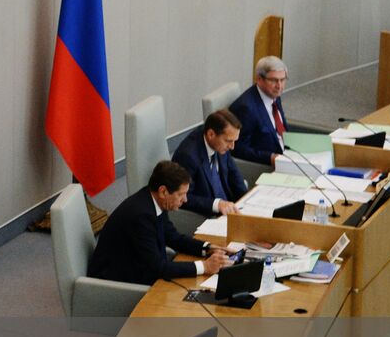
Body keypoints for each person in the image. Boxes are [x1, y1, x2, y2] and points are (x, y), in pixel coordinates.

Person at [88, 161, 230, 286]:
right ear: (163, 191)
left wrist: (208, 247)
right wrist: (204, 266)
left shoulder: (154, 200)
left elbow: (173, 238)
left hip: (138, 266)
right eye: (181, 194)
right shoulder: (141, 215)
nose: (185, 200)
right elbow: (158, 268)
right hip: (116, 282)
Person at [172, 109, 249, 216]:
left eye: (234, 141)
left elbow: (233, 173)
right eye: (228, 141)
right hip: (207, 215)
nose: (232, 147)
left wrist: (247, 200)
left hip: (230, 208)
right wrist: (217, 205)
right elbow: (183, 198)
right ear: (211, 134)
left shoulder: (220, 143)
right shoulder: (188, 156)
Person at [229, 56, 290, 166]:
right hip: (266, 165)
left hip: (287, 155)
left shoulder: (274, 95)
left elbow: (280, 129)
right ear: (259, 79)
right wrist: (270, 158)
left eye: (282, 80)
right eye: (273, 80)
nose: (279, 86)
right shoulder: (246, 108)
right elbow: (237, 148)